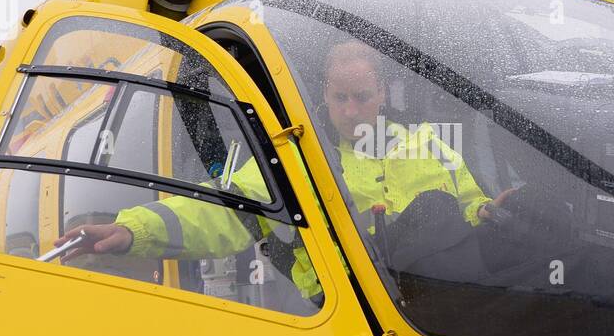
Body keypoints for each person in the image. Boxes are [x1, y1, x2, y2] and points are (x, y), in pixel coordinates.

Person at [52, 40, 512, 299]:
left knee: (449, 212)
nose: (351, 110)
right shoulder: (297, 157)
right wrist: (134, 229)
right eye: (340, 98)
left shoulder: (429, 145)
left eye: (362, 97)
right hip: (359, 302)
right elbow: (226, 208)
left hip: (445, 292)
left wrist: (491, 213)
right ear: (325, 98)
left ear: (382, 96)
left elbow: (469, 209)